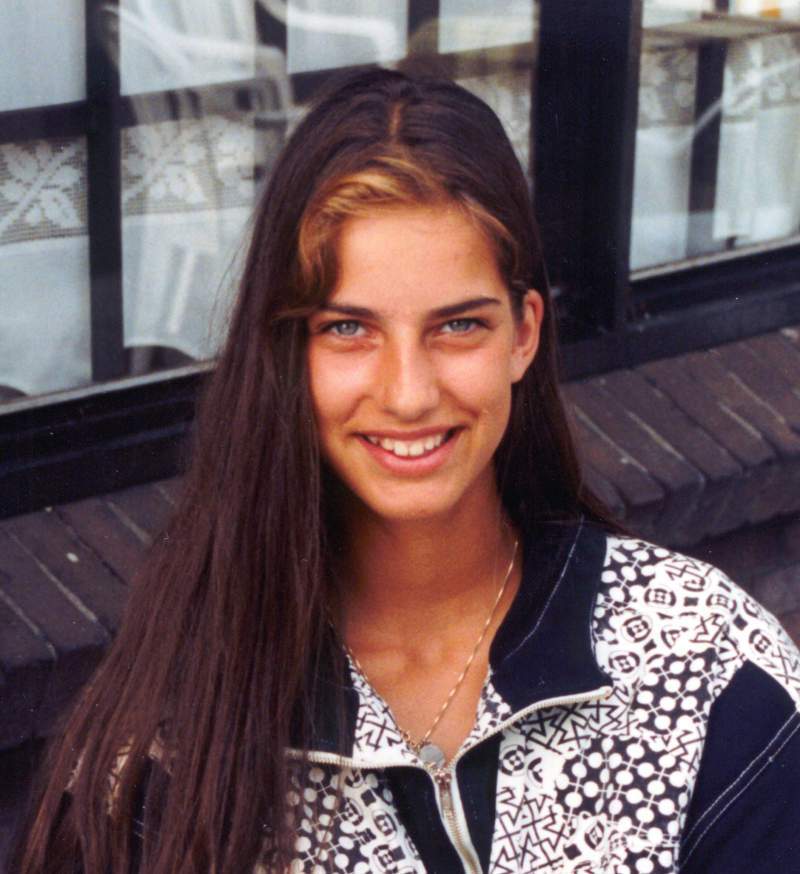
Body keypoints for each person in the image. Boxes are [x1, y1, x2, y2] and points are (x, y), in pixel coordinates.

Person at [13, 68, 800, 874]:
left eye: (458, 325)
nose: (408, 393)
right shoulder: (174, 741)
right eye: (348, 329)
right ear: (288, 350)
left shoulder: (700, 659)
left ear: (524, 334)